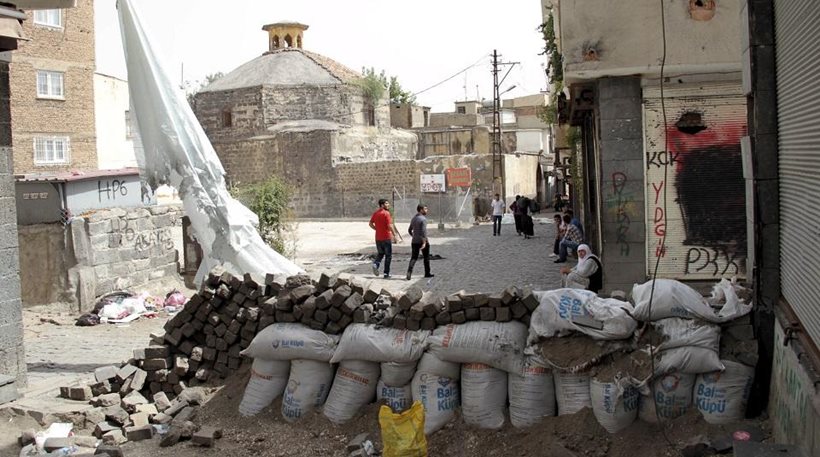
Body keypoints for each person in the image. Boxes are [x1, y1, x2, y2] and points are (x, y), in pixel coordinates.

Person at [369, 198, 399, 278]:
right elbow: (390, 225)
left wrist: (377, 229)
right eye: (386, 203)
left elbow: (370, 224)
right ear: (382, 205)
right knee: (388, 256)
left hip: (378, 238)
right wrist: (395, 235)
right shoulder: (386, 213)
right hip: (386, 238)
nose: (388, 205)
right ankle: (386, 274)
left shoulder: (375, 213)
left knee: (381, 253)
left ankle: (376, 264)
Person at [406, 204, 434, 280]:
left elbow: (409, 230)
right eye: (425, 209)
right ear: (421, 210)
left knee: (414, 257)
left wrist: (414, 236)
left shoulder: (414, 218)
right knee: (426, 258)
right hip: (423, 241)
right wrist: (424, 242)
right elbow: (423, 232)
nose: (426, 210)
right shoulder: (423, 219)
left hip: (414, 241)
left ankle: (409, 272)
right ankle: (427, 273)